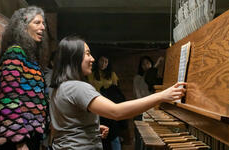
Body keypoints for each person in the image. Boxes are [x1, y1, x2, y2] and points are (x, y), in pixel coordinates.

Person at [49, 35, 186, 150]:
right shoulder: (78, 87)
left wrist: (91, 128)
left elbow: (61, 127)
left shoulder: (60, 87)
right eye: (88, 54)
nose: (93, 59)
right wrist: (161, 96)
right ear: (74, 57)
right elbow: (117, 112)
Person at [0, 6, 49, 150]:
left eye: (43, 23)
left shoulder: (31, 57)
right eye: (37, 23)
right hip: (19, 138)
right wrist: (19, 141)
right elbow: (8, 96)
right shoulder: (15, 53)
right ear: (23, 27)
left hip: (32, 135)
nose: (43, 27)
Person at [88, 55, 124, 150]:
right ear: (97, 61)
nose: (103, 63)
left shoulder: (112, 74)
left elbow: (116, 91)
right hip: (97, 107)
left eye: (106, 62)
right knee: (100, 134)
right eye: (102, 61)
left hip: (110, 106)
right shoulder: (91, 74)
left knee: (114, 134)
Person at [133, 56, 164, 120]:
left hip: (152, 107)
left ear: (151, 63)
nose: (146, 65)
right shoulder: (138, 78)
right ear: (141, 66)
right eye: (143, 64)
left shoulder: (154, 76)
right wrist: (156, 65)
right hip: (142, 108)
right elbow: (137, 94)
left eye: (147, 63)